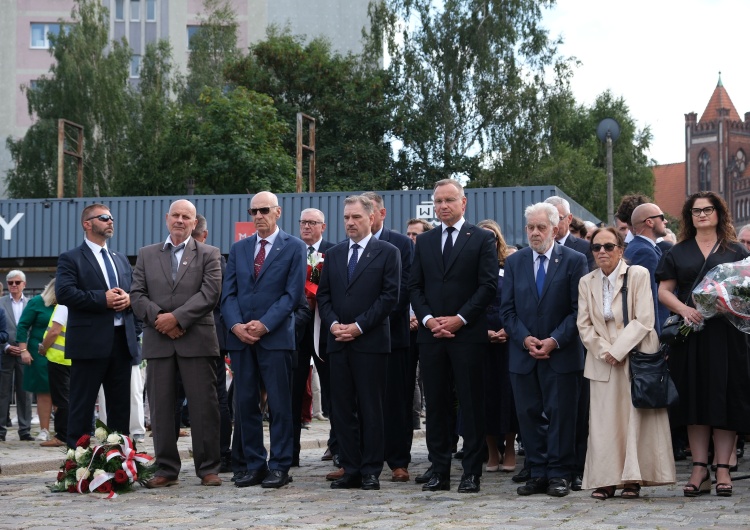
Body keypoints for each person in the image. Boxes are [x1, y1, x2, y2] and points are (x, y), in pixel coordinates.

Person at [656, 191, 750, 498]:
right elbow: (664, 291)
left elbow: (745, 292)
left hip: (728, 335)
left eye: (708, 210)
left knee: (725, 398)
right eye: (696, 211)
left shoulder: (735, 250)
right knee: (694, 399)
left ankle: (722, 468)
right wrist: (684, 309)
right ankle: (699, 468)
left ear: (719, 213)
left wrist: (730, 304)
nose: (702, 215)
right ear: (689, 216)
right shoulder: (677, 251)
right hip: (691, 334)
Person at [409, 179, 498, 494]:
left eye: (449, 200)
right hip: (432, 337)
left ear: (464, 202)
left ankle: (471, 473)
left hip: (467, 336)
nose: (443, 206)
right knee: (437, 406)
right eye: (438, 201)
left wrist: (460, 319)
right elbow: (415, 286)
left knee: (471, 406)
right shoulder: (427, 241)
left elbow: (488, 286)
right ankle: (439, 471)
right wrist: (430, 319)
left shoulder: (482, 239)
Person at [577, 227, 675, 499]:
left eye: (608, 246)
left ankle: (633, 479)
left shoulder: (638, 274)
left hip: (636, 356)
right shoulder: (586, 282)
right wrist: (605, 351)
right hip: (601, 361)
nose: (602, 252)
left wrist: (618, 350)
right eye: (596, 247)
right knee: (603, 423)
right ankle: (606, 479)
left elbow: (645, 319)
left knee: (635, 420)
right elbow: (583, 325)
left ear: (621, 249)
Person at [131, 199, 223, 488]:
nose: (180, 220)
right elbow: (137, 294)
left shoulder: (209, 254)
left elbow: (210, 294)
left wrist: (178, 319)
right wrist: (161, 319)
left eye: (187, 217)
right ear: (166, 218)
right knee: (160, 407)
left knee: (203, 406)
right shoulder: (146, 255)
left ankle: (208, 468)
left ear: (194, 223)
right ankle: (166, 469)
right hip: (159, 341)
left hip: (196, 340)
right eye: (176, 215)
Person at [500, 202, 587, 498]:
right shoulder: (515, 262)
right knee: (529, 415)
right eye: (530, 228)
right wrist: (525, 339)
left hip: (561, 354)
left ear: (555, 228)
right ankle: (537, 473)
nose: (535, 233)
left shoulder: (574, 260)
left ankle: (560, 474)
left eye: (541, 227)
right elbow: (507, 310)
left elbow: (579, 311)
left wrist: (553, 340)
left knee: (561, 416)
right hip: (523, 355)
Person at [221, 191, 306, 489]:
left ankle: (280, 466)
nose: (258, 216)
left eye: (264, 210)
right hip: (242, 340)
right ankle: (254, 465)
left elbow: (292, 295)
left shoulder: (294, 247)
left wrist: (264, 324)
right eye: (253, 211)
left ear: (278, 212)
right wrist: (235, 326)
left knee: (280, 405)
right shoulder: (240, 248)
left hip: (275, 338)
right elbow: (228, 294)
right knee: (245, 405)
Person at [317, 195, 401, 490]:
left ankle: (370, 470)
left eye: (356, 217)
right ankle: (350, 467)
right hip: (338, 342)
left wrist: (359, 327)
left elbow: (389, 297)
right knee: (341, 408)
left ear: (372, 218)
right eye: (346, 218)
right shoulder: (335, 253)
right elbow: (324, 295)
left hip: (371, 343)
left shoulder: (388, 252)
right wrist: (334, 324)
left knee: (371, 408)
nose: (350, 223)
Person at [56, 204, 140, 448]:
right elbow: (64, 293)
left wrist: (129, 299)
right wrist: (102, 299)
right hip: (89, 344)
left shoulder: (120, 259)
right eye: (104, 218)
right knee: (82, 406)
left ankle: (119, 461)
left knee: (120, 408)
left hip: (122, 342)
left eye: (112, 217)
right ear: (87, 223)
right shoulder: (71, 258)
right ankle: (77, 462)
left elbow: (135, 291)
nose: (110, 221)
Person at [362, 191, 414, 483]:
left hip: (393, 335)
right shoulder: (348, 246)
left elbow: (403, 289)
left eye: (370, 211)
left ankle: (397, 460)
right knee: (361, 401)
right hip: (359, 339)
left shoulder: (402, 244)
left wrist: (371, 320)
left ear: (381, 214)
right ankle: (357, 458)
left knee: (396, 400)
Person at [294, 208, 336, 469]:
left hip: (326, 329)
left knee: (333, 391)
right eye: (303, 222)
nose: (307, 227)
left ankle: (337, 446)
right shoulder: (291, 250)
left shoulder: (335, 251)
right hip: (297, 329)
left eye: (312, 223)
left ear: (323, 226)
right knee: (293, 391)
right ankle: (290, 452)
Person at [192, 214, 232, 472]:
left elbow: (217, 297)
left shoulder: (216, 259)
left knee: (216, 397)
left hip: (209, 336)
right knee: (216, 396)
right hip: (188, 334)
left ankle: (221, 455)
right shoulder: (218, 258)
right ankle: (221, 455)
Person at [476, 219, 517, 473]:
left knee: (509, 396)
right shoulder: (469, 268)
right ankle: (491, 450)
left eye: (492, 237)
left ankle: (510, 448)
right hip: (480, 340)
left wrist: (508, 330)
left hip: (508, 339)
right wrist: (484, 332)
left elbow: (518, 302)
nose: (488, 242)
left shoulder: (509, 267)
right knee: (484, 397)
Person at [16, 279, 55, 442]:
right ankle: (44, 430)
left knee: (62, 393)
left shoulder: (67, 304)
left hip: (62, 353)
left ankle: (62, 429)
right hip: (39, 354)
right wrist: (23, 350)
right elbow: (22, 326)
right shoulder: (37, 302)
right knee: (44, 392)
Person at [626, 203, 670, 333]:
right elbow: (649, 297)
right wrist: (658, 336)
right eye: (662, 217)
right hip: (652, 331)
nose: (665, 221)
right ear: (650, 222)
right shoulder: (644, 252)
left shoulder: (643, 247)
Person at [0, 270, 31, 442]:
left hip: (25, 354)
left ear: (24, 284)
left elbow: (33, 329)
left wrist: (25, 348)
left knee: (25, 393)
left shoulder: (31, 303)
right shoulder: (0, 302)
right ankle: (0, 430)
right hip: (4, 352)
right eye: (10, 282)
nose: (13, 285)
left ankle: (25, 430)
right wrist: (5, 346)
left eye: (17, 282)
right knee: (2, 392)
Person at [37, 298, 72, 448]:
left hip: (59, 359)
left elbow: (54, 331)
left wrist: (43, 347)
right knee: (73, 397)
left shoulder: (63, 305)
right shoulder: (79, 303)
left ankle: (62, 435)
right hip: (74, 358)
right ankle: (77, 433)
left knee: (61, 399)